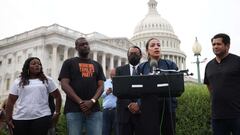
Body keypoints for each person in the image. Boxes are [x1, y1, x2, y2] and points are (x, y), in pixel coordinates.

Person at [58, 37, 106, 135]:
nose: (85, 46)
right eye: (81, 44)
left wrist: (92, 101)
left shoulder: (97, 65)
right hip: (73, 109)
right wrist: (81, 102)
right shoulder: (69, 63)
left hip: (94, 110)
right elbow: (64, 84)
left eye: (86, 44)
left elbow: (101, 86)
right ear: (76, 48)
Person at [5, 57, 62, 135]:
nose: (37, 65)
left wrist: (57, 113)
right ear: (27, 66)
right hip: (20, 118)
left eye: (39, 64)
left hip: (42, 117)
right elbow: (11, 101)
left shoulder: (47, 80)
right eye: (34, 64)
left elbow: (58, 96)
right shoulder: (18, 81)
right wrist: (8, 119)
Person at [138, 38, 178, 135]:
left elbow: (176, 85)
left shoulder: (170, 65)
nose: (156, 47)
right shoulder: (142, 67)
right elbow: (138, 88)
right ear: (147, 50)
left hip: (167, 107)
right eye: (152, 45)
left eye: (158, 45)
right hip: (148, 108)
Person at [204, 33, 240, 135]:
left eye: (218, 44)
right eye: (213, 44)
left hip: (237, 114)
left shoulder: (237, 61)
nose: (215, 46)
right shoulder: (209, 66)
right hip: (217, 116)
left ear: (227, 46)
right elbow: (209, 86)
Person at [115, 45, 142, 135]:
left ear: (141, 56)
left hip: (141, 113)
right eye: (131, 53)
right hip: (124, 113)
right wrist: (129, 104)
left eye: (136, 53)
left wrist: (138, 104)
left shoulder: (145, 70)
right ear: (127, 55)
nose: (133, 55)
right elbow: (118, 91)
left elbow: (148, 91)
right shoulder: (119, 70)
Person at [102, 68, 118, 135]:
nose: (112, 76)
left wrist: (114, 92)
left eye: (114, 75)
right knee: (105, 131)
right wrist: (107, 93)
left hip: (116, 110)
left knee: (116, 131)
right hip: (106, 110)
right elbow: (101, 95)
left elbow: (122, 94)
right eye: (111, 74)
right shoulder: (105, 82)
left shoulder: (120, 82)